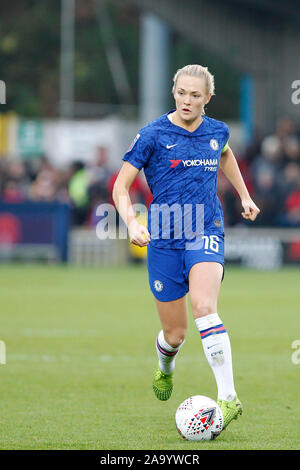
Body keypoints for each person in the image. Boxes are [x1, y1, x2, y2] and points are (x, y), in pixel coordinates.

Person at [112, 64, 260, 430]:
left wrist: (244, 195)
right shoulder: (152, 134)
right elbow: (120, 187)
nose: (187, 100)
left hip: (206, 228)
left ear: (208, 98)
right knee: (175, 335)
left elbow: (225, 155)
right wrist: (132, 223)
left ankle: (228, 397)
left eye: (196, 95)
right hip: (163, 236)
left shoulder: (217, 130)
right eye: (182, 93)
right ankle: (165, 367)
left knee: (204, 306)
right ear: (173, 92)